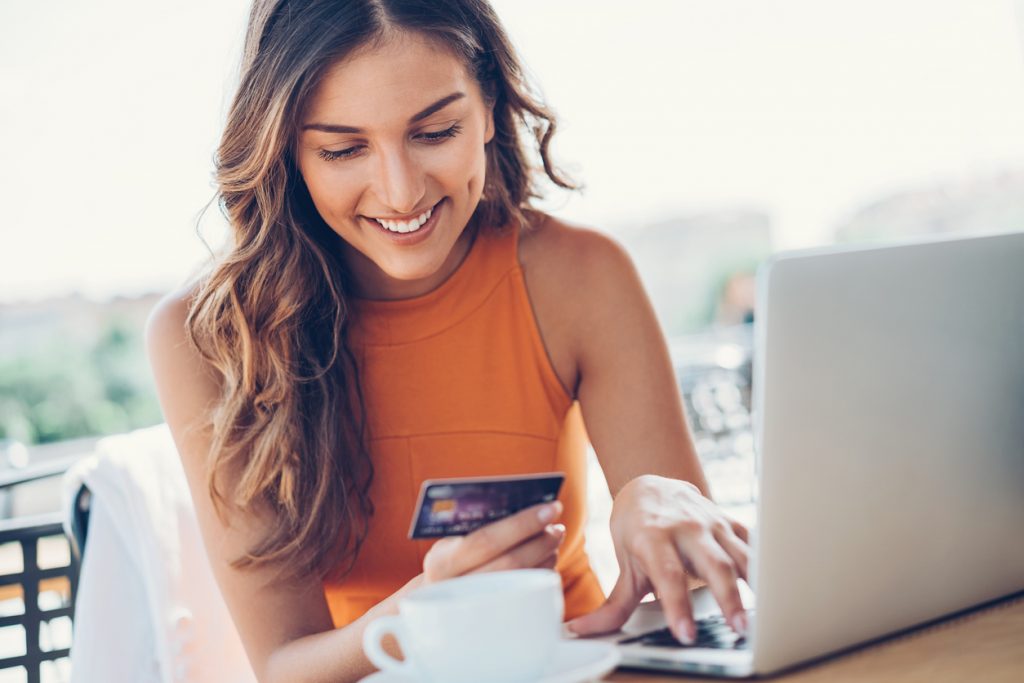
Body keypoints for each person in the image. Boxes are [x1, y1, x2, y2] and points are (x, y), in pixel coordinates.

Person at [146, 1, 751, 681]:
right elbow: (284, 665)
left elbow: (702, 595)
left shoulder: (579, 276)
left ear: (489, 106)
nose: (400, 193)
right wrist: (430, 612)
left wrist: (656, 500)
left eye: (435, 132)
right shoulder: (209, 339)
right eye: (343, 149)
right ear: (285, 147)